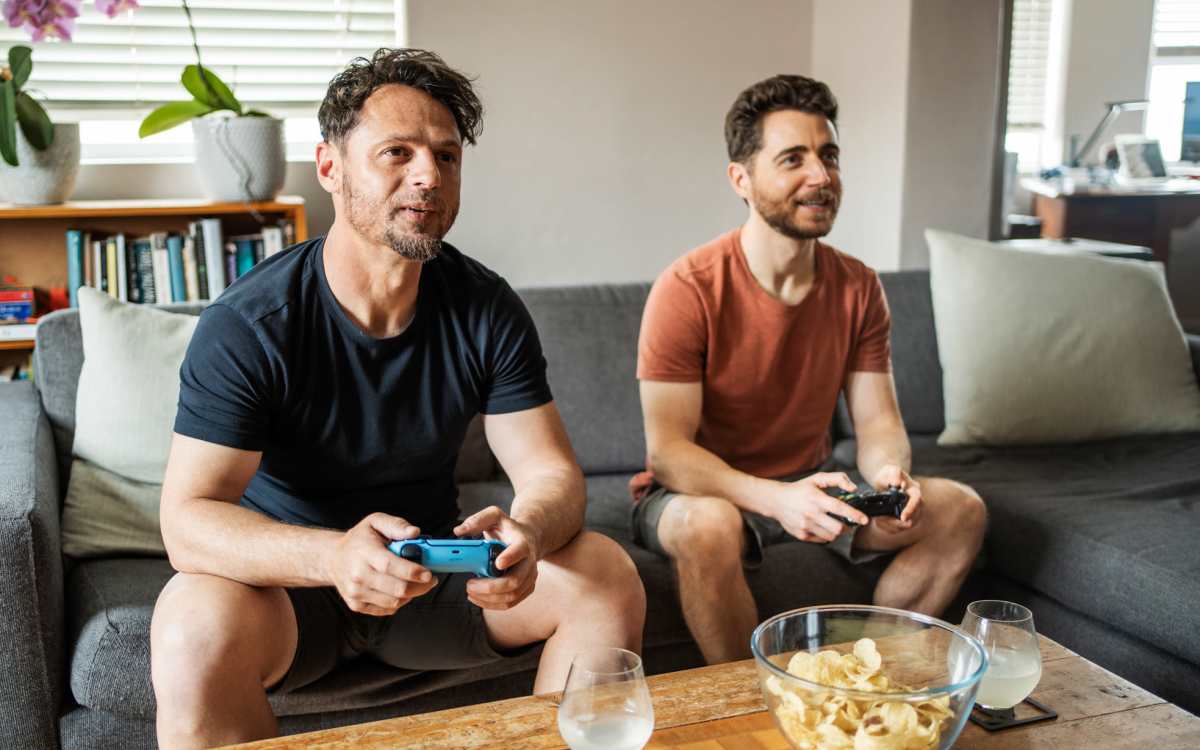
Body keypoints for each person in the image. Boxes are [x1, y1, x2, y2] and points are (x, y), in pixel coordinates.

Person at [150, 48, 645, 749]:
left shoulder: (485, 308)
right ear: (330, 168)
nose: (428, 175)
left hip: (436, 584)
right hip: (292, 597)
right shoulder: (251, 323)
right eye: (397, 152)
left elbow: (550, 473)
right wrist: (331, 559)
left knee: (605, 572)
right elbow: (187, 522)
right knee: (189, 620)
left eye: (446, 156)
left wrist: (526, 535)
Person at [631, 74, 987, 665]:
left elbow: (876, 424)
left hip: (814, 487)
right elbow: (668, 452)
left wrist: (892, 475)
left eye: (829, 156)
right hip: (697, 492)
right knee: (709, 526)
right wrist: (776, 498)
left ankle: (859, 677)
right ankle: (754, 703)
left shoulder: (858, 286)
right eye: (793, 159)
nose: (821, 176)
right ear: (741, 179)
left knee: (960, 509)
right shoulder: (687, 287)